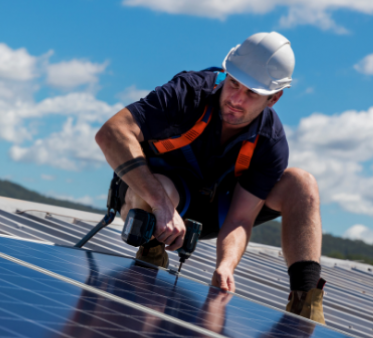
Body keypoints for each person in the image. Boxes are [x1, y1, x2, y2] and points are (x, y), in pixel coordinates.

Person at [94, 32, 326, 324]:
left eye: (251, 93)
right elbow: (111, 132)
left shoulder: (270, 142)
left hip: (214, 211)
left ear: (274, 98)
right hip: (153, 199)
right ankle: (151, 253)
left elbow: (240, 219)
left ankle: (305, 305)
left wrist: (226, 266)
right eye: (233, 84)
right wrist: (161, 205)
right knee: (164, 190)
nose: (236, 100)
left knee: (301, 184)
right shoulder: (188, 92)